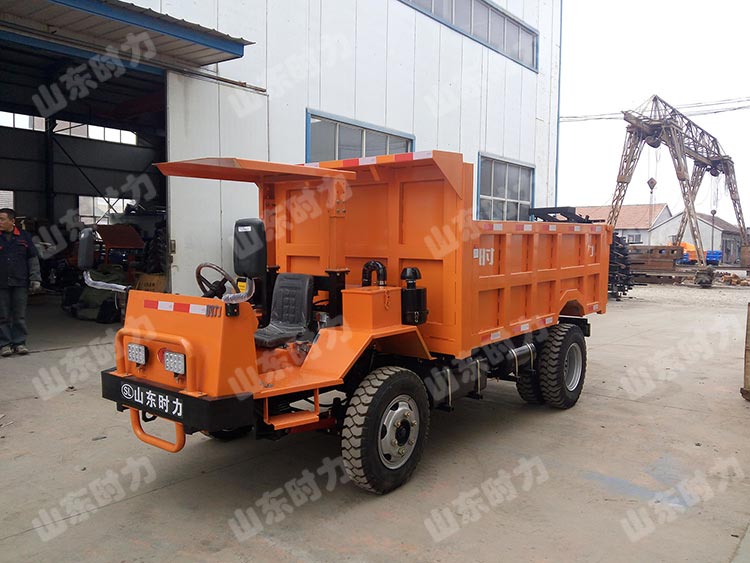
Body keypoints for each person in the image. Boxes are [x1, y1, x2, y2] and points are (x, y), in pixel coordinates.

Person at [0, 208, 41, 357]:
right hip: (1, 283)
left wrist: (35, 278)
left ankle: (19, 343)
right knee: (2, 315)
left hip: (20, 282)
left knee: (19, 315)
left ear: (12, 221)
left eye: (2, 219)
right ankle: (4, 344)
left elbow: (32, 258)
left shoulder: (24, 237)